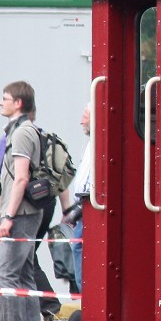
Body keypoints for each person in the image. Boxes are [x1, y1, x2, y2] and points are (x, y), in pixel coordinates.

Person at [0, 81, 45, 321]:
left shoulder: (22, 133)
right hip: (26, 213)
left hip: (21, 214)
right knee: (24, 275)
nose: (0, 102)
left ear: (18, 103)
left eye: (5, 98)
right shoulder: (20, 130)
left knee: (5, 274)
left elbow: (22, 178)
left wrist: (7, 216)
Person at [68, 102, 93, 293]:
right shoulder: (92, 144)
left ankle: (87, 295)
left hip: (89, 207)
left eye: (84, 116)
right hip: (82, 207)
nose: (80, 121)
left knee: (81, 250)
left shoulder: (100, 143)